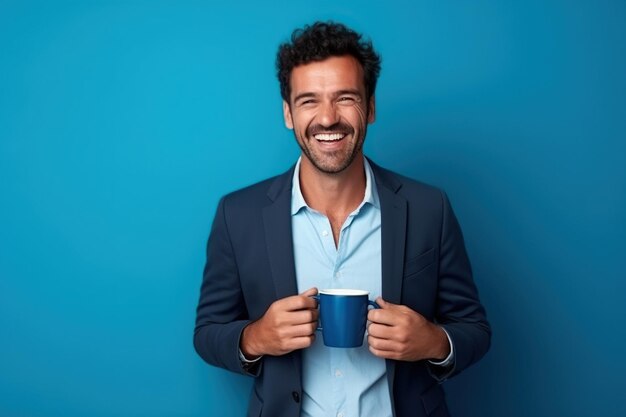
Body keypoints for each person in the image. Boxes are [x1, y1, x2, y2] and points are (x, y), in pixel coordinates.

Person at [194, 21, 491, 417]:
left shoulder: (428, 208)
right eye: (309, 101)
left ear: (370, 107)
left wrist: (435, 342)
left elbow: (474, 328)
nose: (328, 118)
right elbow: (208, 332)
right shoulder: (238, 214)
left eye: (345, 97)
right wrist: (255, 337)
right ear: (288, 113)